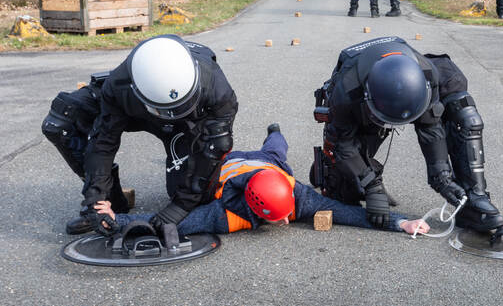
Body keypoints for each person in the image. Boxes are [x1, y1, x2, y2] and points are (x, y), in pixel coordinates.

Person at [41, 34, 237, 236]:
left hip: (185, 125)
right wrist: (95, 196)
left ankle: (188, 184)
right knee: (61, 119)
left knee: (198, 196)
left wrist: (180, 207)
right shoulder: (119, 85)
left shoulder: (218, 90)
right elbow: (103, 142)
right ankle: (111, 201)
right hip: (137, 108)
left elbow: (215, 146)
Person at [311, 36, 503, 233]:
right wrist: (371, 186)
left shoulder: (428, 74)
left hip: (405, 85)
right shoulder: (347, 91)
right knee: (343, 193)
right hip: (360, 98)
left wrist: (443, 179)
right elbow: (343, 145)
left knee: (466, 117)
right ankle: (348, 177)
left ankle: (474, 200)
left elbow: (430, 129)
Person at [92, 127, 427, 236]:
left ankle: (274, 129)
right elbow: (176, 223)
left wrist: (402, 223)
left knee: (277, 145)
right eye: (276, 217)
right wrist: (115, 220)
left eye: (284, 214)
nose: (285, 221)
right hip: (228, 163)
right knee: (186, 176)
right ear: (253, 208)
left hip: (268, 163)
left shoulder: (297, 197)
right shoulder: (228, 212)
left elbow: (346, 213)